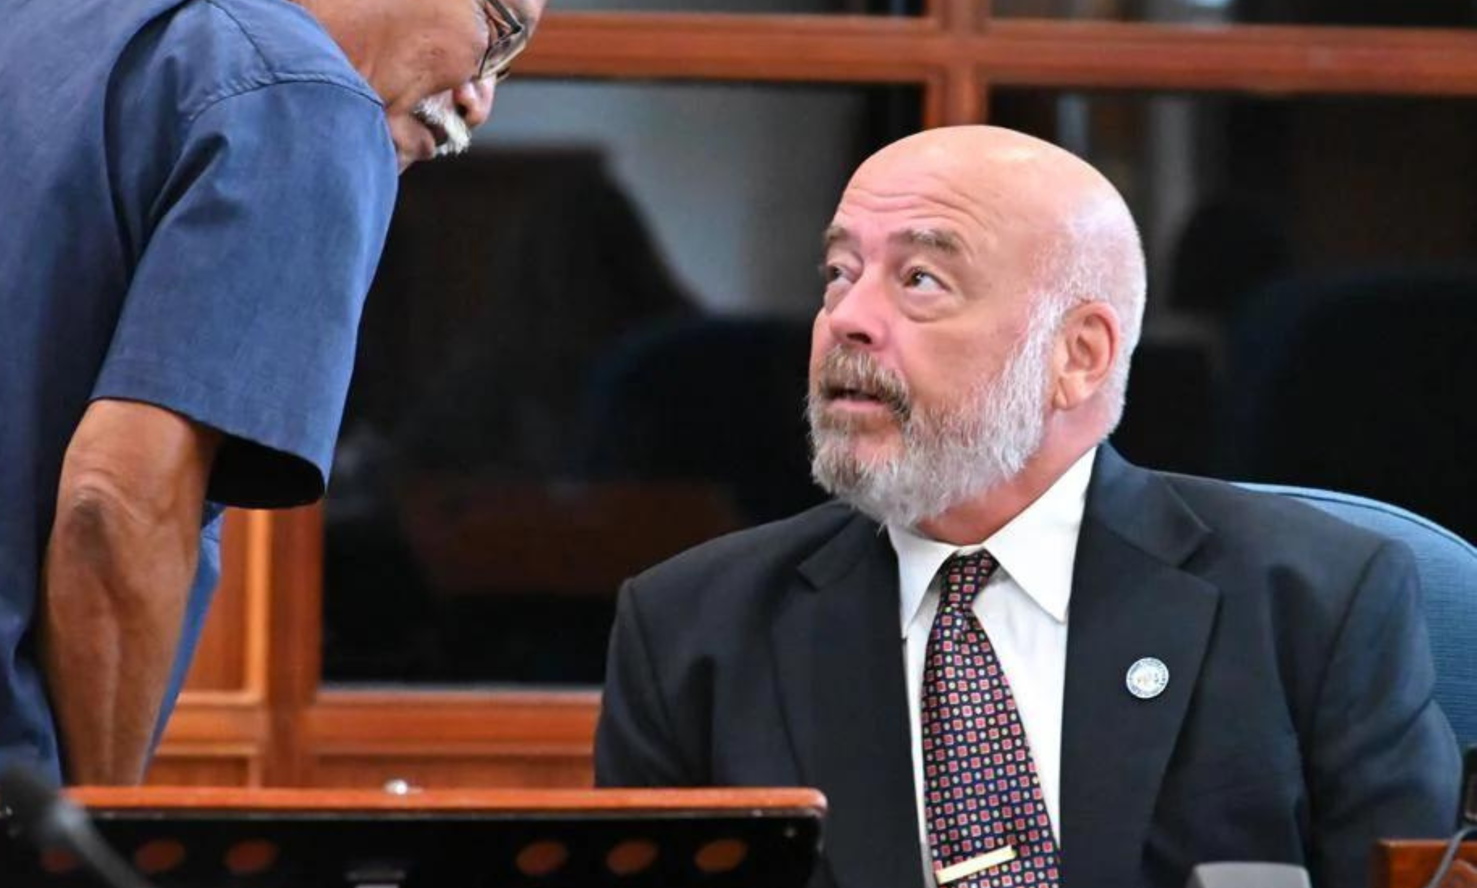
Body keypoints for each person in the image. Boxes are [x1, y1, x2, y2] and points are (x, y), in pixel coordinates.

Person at [0, 0, 580, 882]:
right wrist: (96, 836)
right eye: (496, 31)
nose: (483, 95)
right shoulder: (301, 92)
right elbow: (119, 503)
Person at [594, 126, 1459, 888]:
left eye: (921, 279)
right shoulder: (690, 631)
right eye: (839, 273)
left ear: (1078, 356)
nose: (847, 319)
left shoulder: (1313, 601)